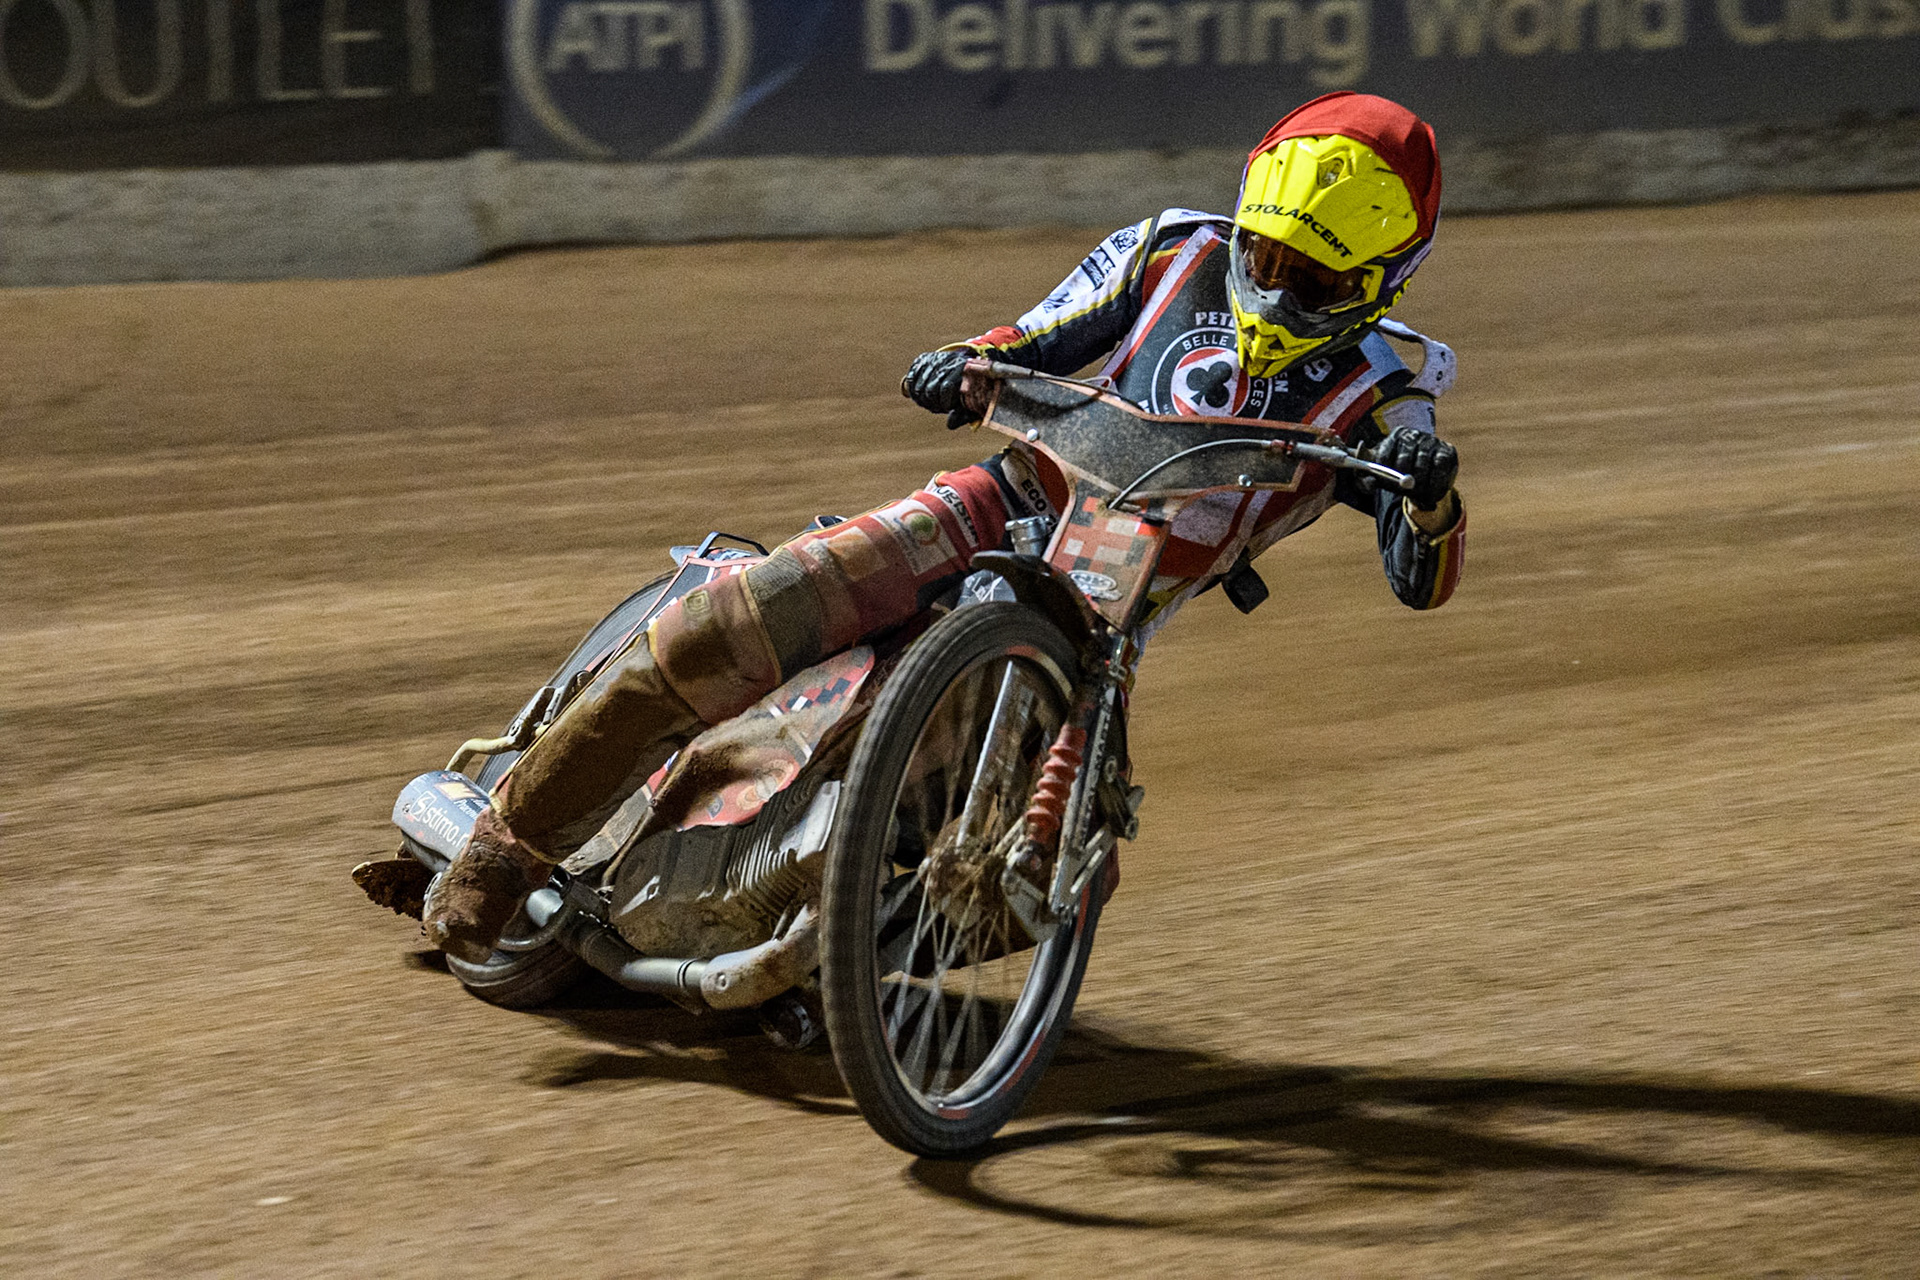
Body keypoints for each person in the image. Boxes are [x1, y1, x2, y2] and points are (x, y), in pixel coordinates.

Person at [421, 90, 1467, 963]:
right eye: (1268, 257)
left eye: (1317, 281)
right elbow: (1042, 332)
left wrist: (1426, 494)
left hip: (1102, 632)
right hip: (997, 504)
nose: (1277, 289)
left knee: (1037, 878)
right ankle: (505, 850)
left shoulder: (1389, 389)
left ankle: (829, 971)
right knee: (739, 618)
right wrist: (968, 356)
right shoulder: (1173, 249)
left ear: (1382, 285)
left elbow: (1425, 574)